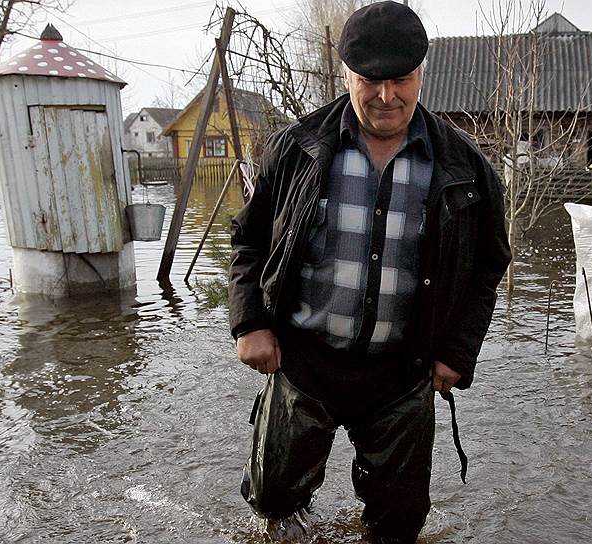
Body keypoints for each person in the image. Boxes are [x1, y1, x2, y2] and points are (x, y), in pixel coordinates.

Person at [228, 1, 511, 541]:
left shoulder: (465, 165)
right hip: (304, 360)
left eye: (401, 80)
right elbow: (248, 239)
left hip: (403, 373)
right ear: (346, 76)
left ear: (421, 75)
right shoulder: (297, 149)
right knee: (272, 506)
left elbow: (488, 265)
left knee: (399, 522)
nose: (387, 96)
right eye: (371, 81)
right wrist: (250, 323)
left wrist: (458, 351)